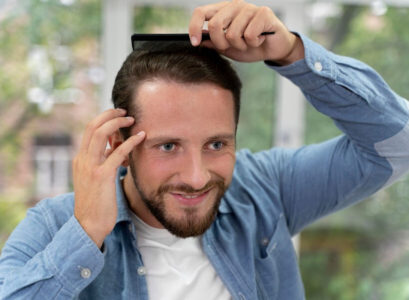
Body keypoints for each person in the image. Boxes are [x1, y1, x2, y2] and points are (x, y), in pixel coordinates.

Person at [1, 1, 409, 299]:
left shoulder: (266, 189)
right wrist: (87, 234)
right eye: (167, 146)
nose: (196, 177)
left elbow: (398, 143)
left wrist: (292, 53)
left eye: (216, 144)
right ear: (119, 144)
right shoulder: (55, 226)